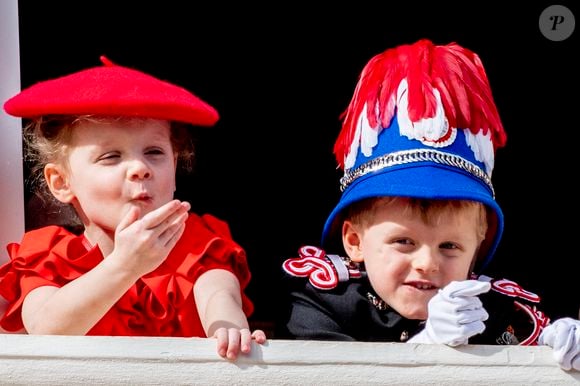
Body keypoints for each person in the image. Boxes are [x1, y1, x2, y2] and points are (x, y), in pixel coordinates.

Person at [278, 39, 579, 371]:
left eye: (450, 245)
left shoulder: (501, 311)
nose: (427, 263)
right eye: (404, 241)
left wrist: (556, 349)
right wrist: (426, 349)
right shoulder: (319, 305)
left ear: (476, 249)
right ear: (354, 241)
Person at [0, 56, 266, 360]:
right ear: (61, 182)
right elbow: (46, 328)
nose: (140, 167)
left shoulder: (198, 243)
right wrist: (125, 265)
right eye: (111, 156)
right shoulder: (48, 255)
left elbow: (219, 294)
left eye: (154, 152)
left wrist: (230, 328)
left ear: (175, 166)